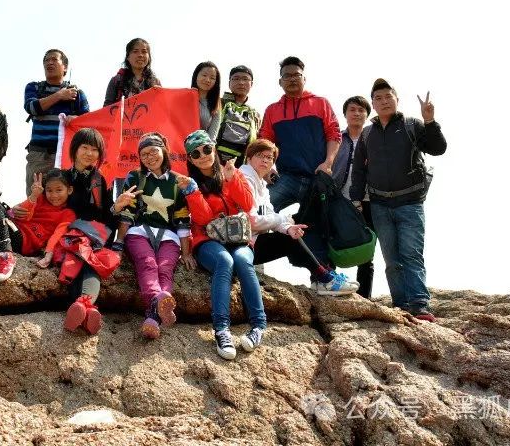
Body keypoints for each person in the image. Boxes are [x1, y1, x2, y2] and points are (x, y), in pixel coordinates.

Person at [256, 56, 357, 295]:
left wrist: (328, 163)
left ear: (304, 77)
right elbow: (265, 141)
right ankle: (252, 264)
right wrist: (268, 168)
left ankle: (322, 279)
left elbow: (334, 134)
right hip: (287, 177)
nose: (292, 79)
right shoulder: (273, 110)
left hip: (316, 178)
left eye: (296, 75)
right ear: (280, 81)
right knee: (259, 210)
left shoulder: (320, 103)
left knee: (319, 226)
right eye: (287, 76)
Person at [350, 79, 447, 321]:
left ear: (397, 100)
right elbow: (359, 170)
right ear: (373, 104)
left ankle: (419, 304)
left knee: (411, 255)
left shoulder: (411, 125)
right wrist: (356, 199)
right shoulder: (367, 133)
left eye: (388, 97)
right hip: (380, 205)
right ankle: (401, 305)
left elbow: (438, 148)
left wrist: (430, 121)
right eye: (378, 98)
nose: (384, 101)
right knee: (392, 260)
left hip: (410, 203)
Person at [14, 127, 115, 333]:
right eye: (85, 148)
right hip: (63, 233)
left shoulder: (99, 180)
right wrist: (23, 204)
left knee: (88, 260)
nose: (89, 153)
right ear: (74, 149)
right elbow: (42, 206)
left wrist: (117, 209)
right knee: (76, 260)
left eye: (95, 149)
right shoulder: (63, 177)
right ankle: (85, 308)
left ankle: (82, 306)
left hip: (91, 234)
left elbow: (107, 214)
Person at [179, 130, 261, 361]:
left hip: (238, 238)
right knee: (224, 261)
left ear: (213, 148)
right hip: (206, 240)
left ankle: (258, 326)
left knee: (243, 261)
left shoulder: (231, 171)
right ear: (190, 159)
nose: (203, 155)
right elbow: (204, 219)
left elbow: (247, 204)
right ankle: (222, 330)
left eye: (206, 149)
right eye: (196, 153)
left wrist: (232, 178)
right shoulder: (190, 183)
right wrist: (193, 192)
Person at [242, 139, 358, 296]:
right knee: (289, 240)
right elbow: (251, 221)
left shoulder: (261, 184)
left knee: (293, 234)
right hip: (238, 247)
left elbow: (270, 216)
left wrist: (288, 227)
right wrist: (283, 220)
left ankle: (325, 276)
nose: (265, 160)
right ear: (249, 158)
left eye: (269, 157)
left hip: (250, 242)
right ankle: (325, 279)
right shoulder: (244, 179)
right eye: (260, 155)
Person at [112, 133, 191, 339]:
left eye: (153, 151)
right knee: (147, 264)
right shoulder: (135, 177)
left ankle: (153, 318)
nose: (149, 157)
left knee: (165, 269)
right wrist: (119, 242)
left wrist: (186, 253)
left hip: (169, 236)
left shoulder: (178, 181)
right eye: (144, 154)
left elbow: (183, 218)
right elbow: (127, 212)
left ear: (164, 151)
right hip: (139, 232)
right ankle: (157, 307)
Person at [0, 169, 77, 283]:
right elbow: (23, 215)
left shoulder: (68, 214)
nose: (54, 195)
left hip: (21, 242)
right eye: (49, 190)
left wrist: (48, 253)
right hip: (3, 234)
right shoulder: (40, 199)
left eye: (59, 190)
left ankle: (6, 256)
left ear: (69, 190)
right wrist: (33, 196)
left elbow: (58, 234)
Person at [23, 49, 90, 195]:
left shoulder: (77, 94)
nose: (49, 63)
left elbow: (88, 125)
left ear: (65, 67)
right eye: (46, 60)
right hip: (40, 156)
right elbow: (32, 108)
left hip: (68, 156)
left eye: (54, 59)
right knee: (35, 198)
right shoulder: (34, 87)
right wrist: (59, 95)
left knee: (68, 198)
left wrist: (76, 120)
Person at [331, 96, 376, 299]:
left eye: (361, 110)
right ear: (345, 114)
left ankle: (364, 297)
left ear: (367, 114)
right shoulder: (336, 139)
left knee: (367, 248)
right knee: (332, 242)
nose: (356, 113)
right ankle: (330, 287)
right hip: (340, 199)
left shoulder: (374, 138)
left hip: (368, 200)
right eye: (352, 109)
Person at [216, 65, 262, 165]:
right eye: (236, 79)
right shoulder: (216, 104)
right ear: (229, 83)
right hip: (212, 163)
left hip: (243, 167)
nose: (241, 82)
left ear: (251, 84)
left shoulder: (255, 115)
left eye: (245, 79)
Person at [103, 37, 162, 106]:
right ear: (128, 57)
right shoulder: (117, 81)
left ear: (149, 57)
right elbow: (107, 108)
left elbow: (161, 107)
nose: (140, 55)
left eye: (144, 52)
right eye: (135, 51)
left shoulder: (155, 83)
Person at [191, 61, 223, 141]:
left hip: (200, 146)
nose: (208, 80)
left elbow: (212, 136)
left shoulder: (216, 105)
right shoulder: (184, 97)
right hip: (177, 144)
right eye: (204, 75)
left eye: (212, 78)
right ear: (196, 76)